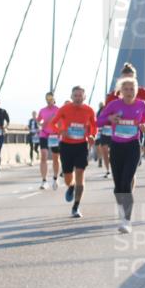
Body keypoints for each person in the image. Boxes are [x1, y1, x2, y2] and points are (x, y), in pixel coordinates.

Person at [97, 77, 145, 233]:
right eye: (126, 89)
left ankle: (126, 221)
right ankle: (122, 211)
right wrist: (109, 118)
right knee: (118, 186)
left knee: (126, 182)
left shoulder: (141, 104)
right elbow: (98, 121)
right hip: (117, 147)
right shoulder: (114, 104)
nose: (129, 92)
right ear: (121, 91)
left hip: (133, 147)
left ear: (136, 91)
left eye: (131, 89)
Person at [48, 86, 96, 218]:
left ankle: (76, 206)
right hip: (66, 145)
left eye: (80, 95)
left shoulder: (89, 110)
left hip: (81, 145)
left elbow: (94, 126)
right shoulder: (65, 109)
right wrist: (60, 131)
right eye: (75, 95)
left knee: (80, 172)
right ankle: (71, 186)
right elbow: (52, 124)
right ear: (71, 96)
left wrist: (92, 135)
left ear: (84, 97)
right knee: (68, 177)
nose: (78, 98)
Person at [37, 92, 61, 190]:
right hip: (44, 135)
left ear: (54, 99)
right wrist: (41, 124)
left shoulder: (59, 110)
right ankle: (44, 180)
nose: (49, 101)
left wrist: (59, 130)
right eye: (47, 99)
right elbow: (38, 121)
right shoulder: (42, 110)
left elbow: (62, 122)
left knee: (55, 158)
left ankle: (55, 178)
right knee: (43, 156)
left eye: (51, 99)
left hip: (55, 136)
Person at [96, 101, 112, 178]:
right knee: (105, 152)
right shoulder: (101, 111)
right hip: (104, 134)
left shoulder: (115, 109)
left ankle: (114, 168)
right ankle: (108, 170)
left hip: (114, 134)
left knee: (112, 153)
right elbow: (98, 122)